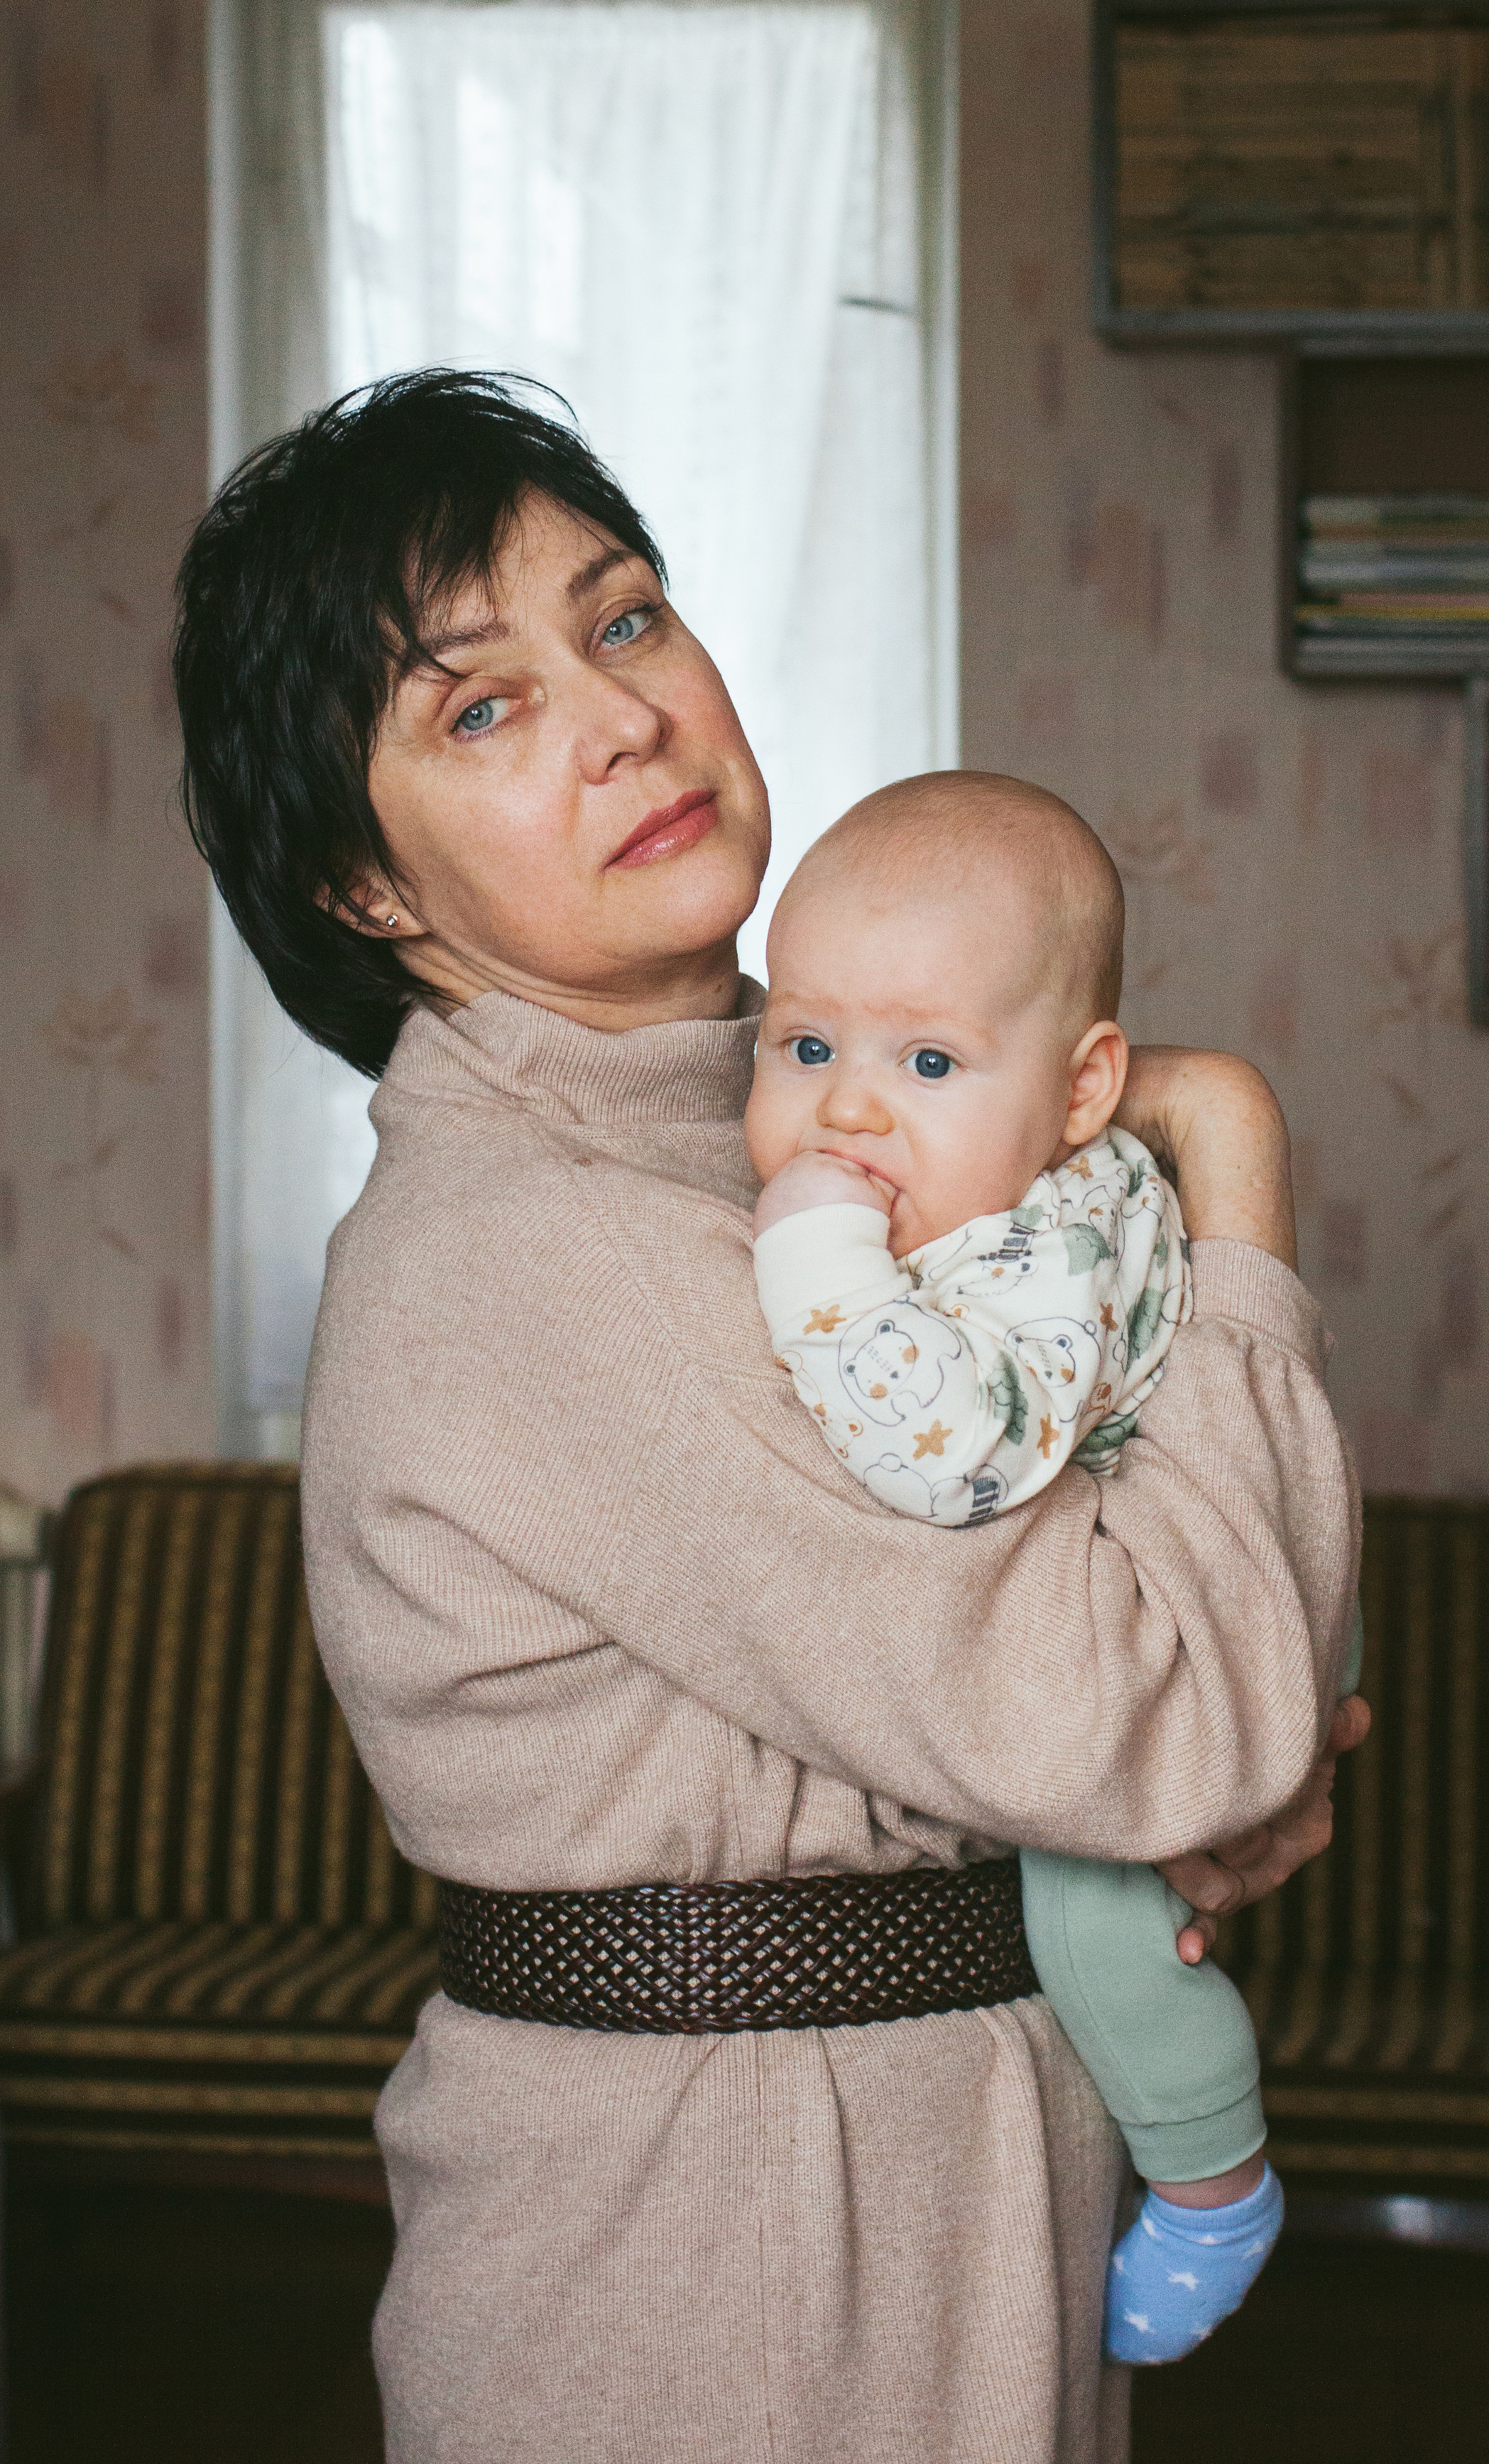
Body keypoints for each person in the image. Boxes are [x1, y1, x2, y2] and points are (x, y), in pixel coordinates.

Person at [171, 369, 1366, 2464]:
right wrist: (1230, 1152)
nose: (623, 714)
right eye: (481, 707)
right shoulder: (544, 1251)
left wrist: (1156, 1770)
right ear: (366, 890)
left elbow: (1193, 1688)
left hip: (922, 2175)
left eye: (622, 619)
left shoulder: (817, 1147)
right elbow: (1168, 1711)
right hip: (726, 2268)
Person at [744, 773, 1363, 2366]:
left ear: (1086, 1089)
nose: (847, 1112)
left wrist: (812, 1254)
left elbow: (957, 1455)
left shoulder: (1037, 1247)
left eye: (927, 1062)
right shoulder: (993, 1191)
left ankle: (1213, 2174)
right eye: (802, 1046)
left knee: (1088, 1917)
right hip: (1219, 1560)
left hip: (1241, 1597)